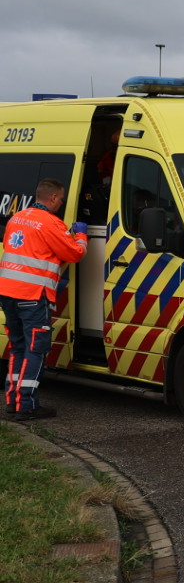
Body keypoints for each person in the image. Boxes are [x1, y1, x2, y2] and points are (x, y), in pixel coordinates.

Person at [1, 178, 89, 421]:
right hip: (32, 295)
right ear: (52, 198)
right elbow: (74, 253)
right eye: (61, 199)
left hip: (7, 292)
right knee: (35, 349)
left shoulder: (16, 218)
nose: (61, 204)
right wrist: (81, 234)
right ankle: (26, 405)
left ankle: (13, 401)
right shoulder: (51, 223)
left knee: (18, 347)